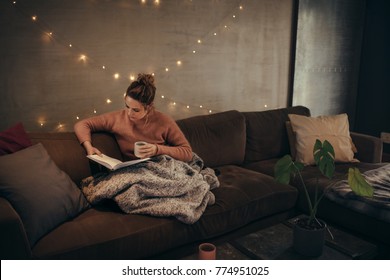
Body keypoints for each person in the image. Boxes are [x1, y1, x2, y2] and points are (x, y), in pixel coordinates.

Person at [74, 73, 193, 162]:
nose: (129, 113)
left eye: (136, 110)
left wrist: (157, 149)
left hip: (161, 167)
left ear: (149, 106)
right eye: (127, 106)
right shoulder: (117, 118)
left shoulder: (164, 121)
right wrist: (89, 147)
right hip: (134, 172)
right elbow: (82, 125)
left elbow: (187, 153)